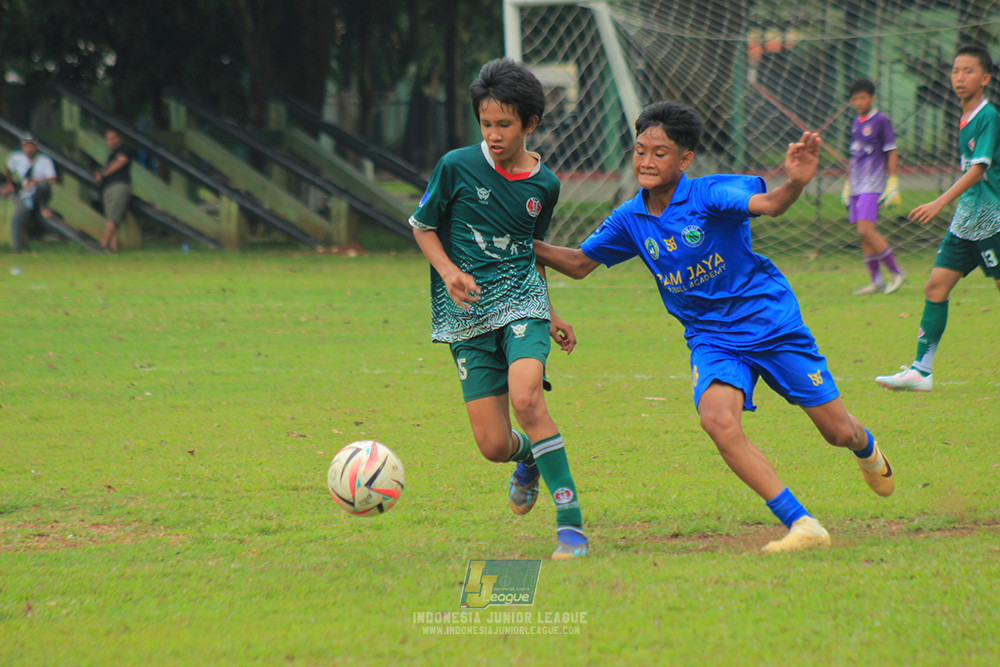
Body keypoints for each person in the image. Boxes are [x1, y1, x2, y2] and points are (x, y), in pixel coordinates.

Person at [534, 101, 895, 554]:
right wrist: (523, 241)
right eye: (640, 150)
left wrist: (796, 183)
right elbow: (580, 263)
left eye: (660, 152)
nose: (646, 161)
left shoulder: (710, 195)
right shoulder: (630, 217)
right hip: (711, 338)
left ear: (684, 159)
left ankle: (867, 449)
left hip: (769, 322)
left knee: (837, 432)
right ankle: (802, 524)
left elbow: (769, 203)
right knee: (717, 420)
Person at [409, 58, 588, 560]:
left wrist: (549, 313)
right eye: (486, 124)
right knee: (492, 444)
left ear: (529, 124)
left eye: (504, 125)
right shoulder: (455, 167)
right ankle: (529, 457)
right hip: (465, 312)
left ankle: (570, 523)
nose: (493, 134)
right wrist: (448, 271)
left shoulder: (544, 185)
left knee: (528, 399)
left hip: (520, 300)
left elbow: (533, 248)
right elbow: (422, 227)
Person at [876, 44, 1000, 392]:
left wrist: (939, 202)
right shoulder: (964, 116)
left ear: (985, 77)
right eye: (956, 71)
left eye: (969, 71)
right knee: (935, 286)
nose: (960, 78)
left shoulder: (988, 116)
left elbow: (979, 169)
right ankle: (921, 371)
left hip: (993, 220)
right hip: (967, 221)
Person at [842, 78, 906, 295]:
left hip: (872, 183)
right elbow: (855, 156)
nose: (858, 102)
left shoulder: (881, 121)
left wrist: (893, 181)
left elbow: (892, 150)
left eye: (862, 97)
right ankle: (876, 281)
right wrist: (847, 184)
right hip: (856, 184)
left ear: (871, 98)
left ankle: (896, 272)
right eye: (854, 99)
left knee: (865, 229)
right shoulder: (855, 122)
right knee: (863, 234)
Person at [2, 135, 57, 253]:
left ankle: (43, 208)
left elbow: (52, 179)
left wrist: (36, 182)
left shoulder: (44, 160)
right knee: (17, 219)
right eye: (27, 147)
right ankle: (16, 249)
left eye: (31, 146)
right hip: (25, 194)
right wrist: (9, 183)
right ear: (23, 147)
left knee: (43, 186)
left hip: (39, 194)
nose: (29, 149)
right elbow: (8, 167)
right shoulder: (16, 157)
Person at [94, 128, 132, 253]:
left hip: (120, 186)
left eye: (114, 138)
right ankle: (113, 249)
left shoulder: (124, 150)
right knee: (111, 218)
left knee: (112, 218)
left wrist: (103, 173)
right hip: (108, 188)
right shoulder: (110, 156)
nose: (112, 141)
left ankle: (103, 245)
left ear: (120, 138)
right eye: (109, 139)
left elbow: (121, 162)